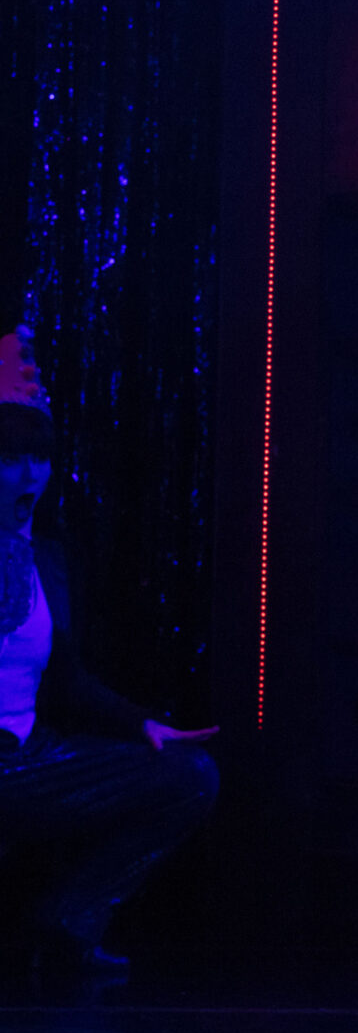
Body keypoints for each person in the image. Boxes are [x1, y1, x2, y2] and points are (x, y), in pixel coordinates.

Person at [0, 333, 220, 972]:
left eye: (39, 459)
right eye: (10, 460)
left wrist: (140, 723)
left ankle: (69, 920)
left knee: (190, 776)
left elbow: (66, 678)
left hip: (27, 760)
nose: (30, 476)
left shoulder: (48, 557)